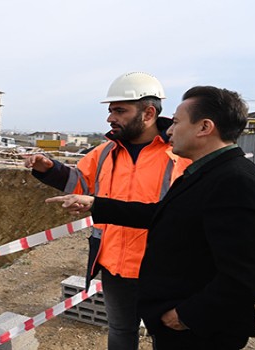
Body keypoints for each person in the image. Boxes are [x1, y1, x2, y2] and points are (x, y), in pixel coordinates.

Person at [47, 86, 255, 349]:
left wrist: (186, 316)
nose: (169, 130)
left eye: (177, 123)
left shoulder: (235, 181)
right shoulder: (206, 172)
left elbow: (251, 276)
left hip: (201, 334)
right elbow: (162, 214)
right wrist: (97, 204)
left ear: (204, 127)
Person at [24, 71, 190, 349]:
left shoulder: (179, 154)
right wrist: (48, 168)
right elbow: (78, 182)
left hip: (161, 267)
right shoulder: (104, 152)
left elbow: (186, 212)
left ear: (148, 113)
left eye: (119, 110)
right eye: (111, 110)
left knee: (167, 336)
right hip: (115, 265)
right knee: (121, 331)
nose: (110, 118)